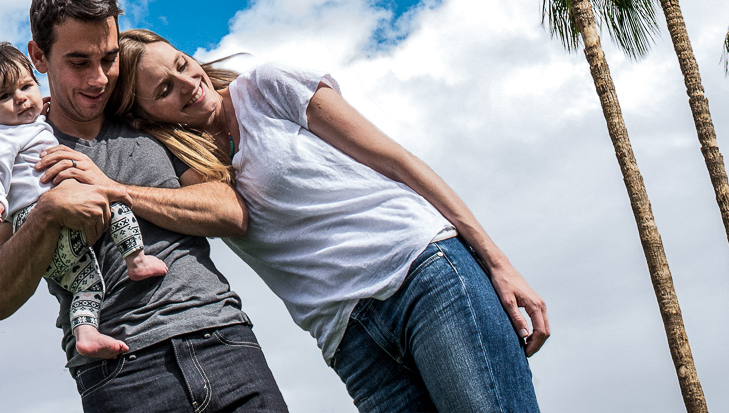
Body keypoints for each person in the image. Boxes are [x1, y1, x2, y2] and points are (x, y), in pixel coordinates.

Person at [97, 28, 549, 413]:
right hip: (351, 341)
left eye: (181, 63)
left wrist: (497, 262)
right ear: (143, 116)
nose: (187, 83)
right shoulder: (183, 164)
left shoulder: (266, 87)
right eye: (164, 90)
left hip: (421, 277)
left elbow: (397, 161)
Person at [0, 0, 288, 413]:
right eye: (79, 62)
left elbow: (228, 211)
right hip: (119, 374)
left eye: (108, 58)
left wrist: (114, 189)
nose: (99, 78)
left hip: (224, 341)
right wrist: (48, 210)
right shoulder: (12, 159)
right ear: (38, 57)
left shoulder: (150, 117)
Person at [0, 41, 167, 359]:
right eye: (5, 96)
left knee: (88, 284)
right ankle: (136, 259)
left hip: (59, 250)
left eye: (26, 86)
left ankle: (86, 333)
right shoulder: (0, 137)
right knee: (115, 204)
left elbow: (37, 124)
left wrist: (41, 111)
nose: (20, 99)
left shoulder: (31, 126)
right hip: (36, 214)